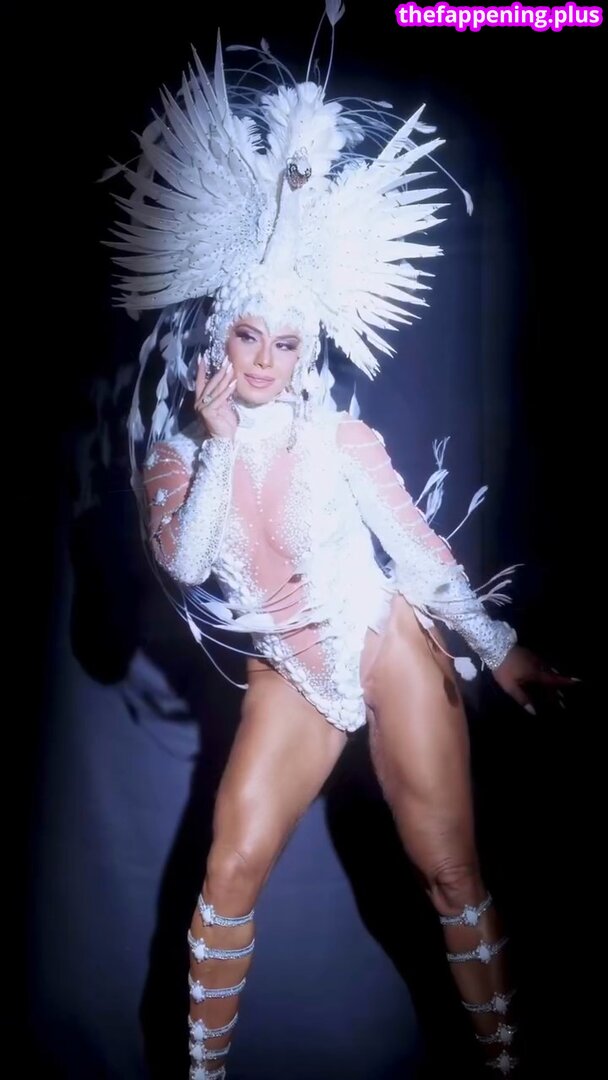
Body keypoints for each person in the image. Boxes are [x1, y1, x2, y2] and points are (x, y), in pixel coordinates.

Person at [107, 5, 575, 1075]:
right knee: (229, 872)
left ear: (303, 350)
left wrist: (498, 648)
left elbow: (415, 549)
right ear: (220, 333)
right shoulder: (176, 458)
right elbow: (184, 561)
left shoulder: (339, 438)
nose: (263, 360)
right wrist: (220, 446)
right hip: (292, 672)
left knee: (449, 873)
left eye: (284, 343)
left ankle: (507, 1065)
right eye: (247, 335)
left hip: (378, 640)